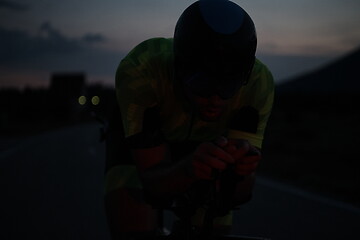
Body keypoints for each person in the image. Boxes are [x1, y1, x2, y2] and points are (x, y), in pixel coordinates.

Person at [104, 0, 274, 239]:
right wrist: (186, 170)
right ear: (179, 68)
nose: (215, 98)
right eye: (202, 83)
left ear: (245, 75)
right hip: (142, 145)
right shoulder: (142, 67)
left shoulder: (259, 82)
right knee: (133, 223)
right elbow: (152, 182)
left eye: (228, 86)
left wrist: (240, 174)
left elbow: (240, 194)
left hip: (209, 145)